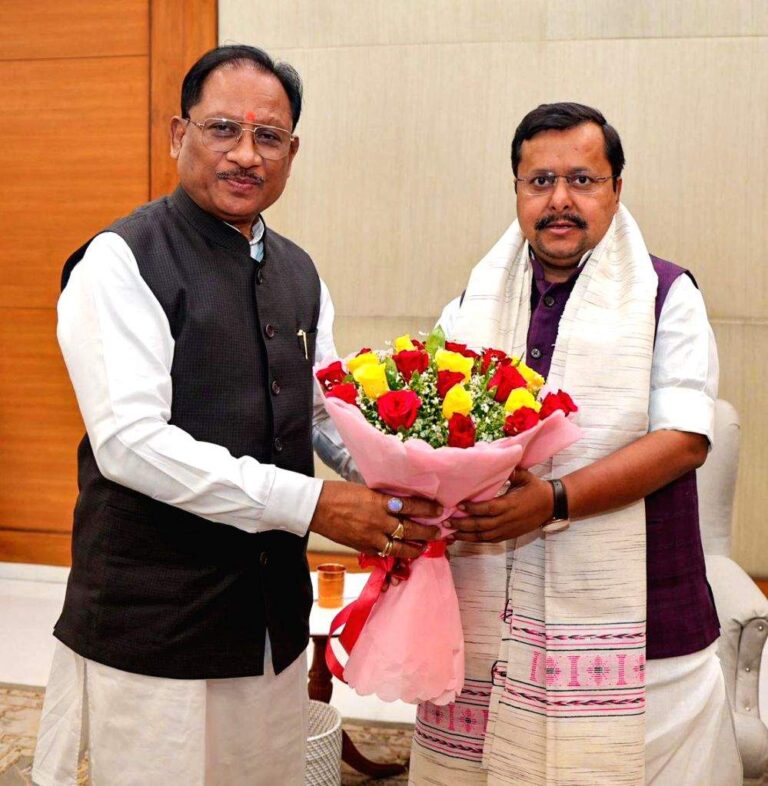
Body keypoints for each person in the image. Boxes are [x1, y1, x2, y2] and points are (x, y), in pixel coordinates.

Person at [32, 45, 440, 786]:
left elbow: (318, 412)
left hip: (269, 624)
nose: (246, 154)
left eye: (268, 136)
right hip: (157, 628)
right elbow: (130, 444)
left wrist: (411, 477)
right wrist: (315, 504)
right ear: (178, 134)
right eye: (223, 128)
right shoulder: (121, 261)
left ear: (292, 152)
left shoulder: (300, 271)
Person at [409, 103, 740, 785]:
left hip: (642, 624)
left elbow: (683, 441)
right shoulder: (474, 303)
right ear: (517, 191)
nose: (560, 199)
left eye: (582, 180)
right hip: (489, 617)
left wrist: (552, 502)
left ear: (617, 188)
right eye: (541, 181)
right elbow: (431, 427)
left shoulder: (667, 295)